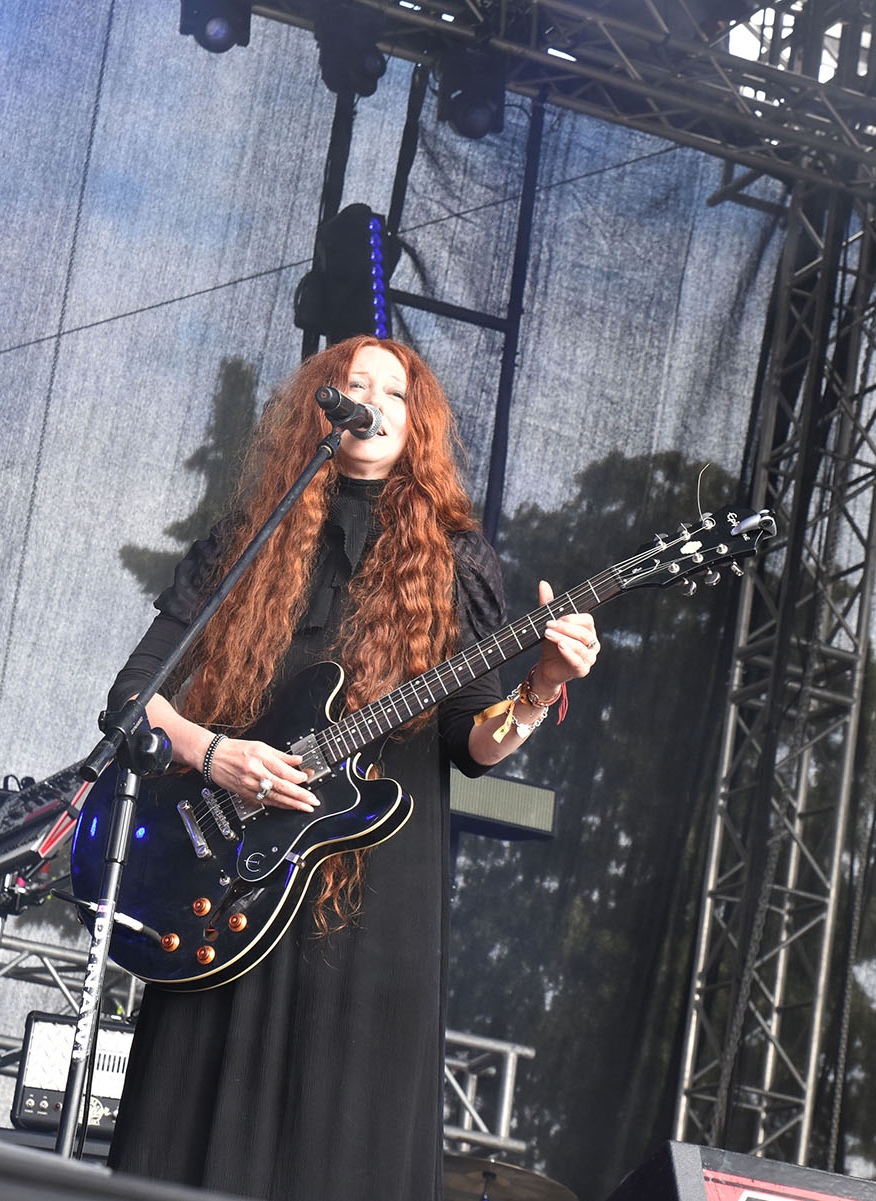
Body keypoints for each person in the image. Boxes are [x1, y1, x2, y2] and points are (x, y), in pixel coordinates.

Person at [104, 336, 599, 1201]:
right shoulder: (251, 538)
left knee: (341, 1148)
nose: (373, 400)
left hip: (373, 902)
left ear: (416, 424)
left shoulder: (455, 558)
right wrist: (215, 753)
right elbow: (133, 697)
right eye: (353, 385)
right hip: (230, 878)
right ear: (322, 410)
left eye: (394, 392)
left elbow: (473, 743)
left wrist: (539, 689)